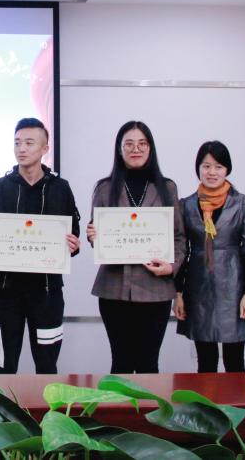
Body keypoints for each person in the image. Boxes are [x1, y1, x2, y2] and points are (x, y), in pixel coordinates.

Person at [0, 117, 80, 374]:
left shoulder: (60, 188)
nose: (22, 148)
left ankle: (45, 403)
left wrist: (73, 244)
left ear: (45, 148)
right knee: (5, 365)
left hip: (47, 293)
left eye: (29, 143)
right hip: (6, 293)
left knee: (47, 366)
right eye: (17, 143)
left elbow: (73, 239)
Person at [86, 120, 185, 374]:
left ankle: (147, 404)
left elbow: (178, 237)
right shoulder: (105, 188)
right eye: (128, 144)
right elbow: (98, 233)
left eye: (142, 143)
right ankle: (119, 403)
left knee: (148, 365)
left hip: (155, 290)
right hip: (114, 289)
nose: (135, 149)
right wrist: (93, 235)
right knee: (120, 363)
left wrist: (171, 266)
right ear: (119, 150)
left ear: (150, 148)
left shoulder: (167, 187)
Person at [174, 141, 245, 372]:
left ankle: (237, 398)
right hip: (198, 286)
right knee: (205, 361)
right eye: (206, 166)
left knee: (235, 360)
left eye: (218, 167)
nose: (212, 172)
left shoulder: (241, 202)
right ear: (198, 169)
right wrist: (178, 293)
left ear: (227, 170)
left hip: (234, 286)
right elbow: (181, 250)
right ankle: (205, 398)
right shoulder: (186, 205)